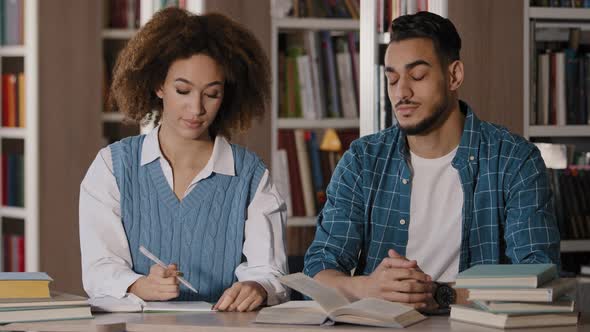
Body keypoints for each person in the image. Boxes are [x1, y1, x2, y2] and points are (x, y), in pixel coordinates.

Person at [303, 11, 560, 312]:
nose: (402, 92)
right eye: (392, 79)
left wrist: (435, 294)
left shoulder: (514, 160)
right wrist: (367, 287)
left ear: (454, 75)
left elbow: (538, 274)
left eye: (418, 76)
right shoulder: (362, 160)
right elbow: (318, 270)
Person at [79, 8, 288, 312]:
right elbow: (99, 268)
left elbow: (270, 273)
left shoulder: (251, 176)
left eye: (212, 94)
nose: (196, 108)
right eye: (183, 90)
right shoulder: (112, 166)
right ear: (158, 86)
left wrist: (259, 288)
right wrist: (139, 285)